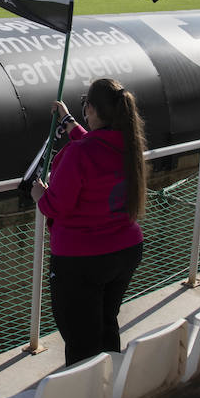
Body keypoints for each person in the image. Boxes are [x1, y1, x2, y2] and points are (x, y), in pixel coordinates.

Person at [30, 78, 148, 366]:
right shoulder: (129, 146)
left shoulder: (79, 153)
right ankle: (110, 390)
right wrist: (70, 122)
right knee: (107, 324)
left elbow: (56, 205)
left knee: (81, 340)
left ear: (92, 109)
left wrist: (39, 196)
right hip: (124, 252)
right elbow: (97, 146)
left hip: (80, 261)